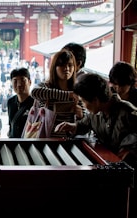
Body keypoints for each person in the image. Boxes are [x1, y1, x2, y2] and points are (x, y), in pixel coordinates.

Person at [54, 73, 137, 218]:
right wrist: (72, 127)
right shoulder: (95, 113)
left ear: (96, 100)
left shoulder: (128, 113)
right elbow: (83, 125)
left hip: (128, 181)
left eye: (83, 101)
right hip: (108, 176)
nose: (83, 105)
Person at [31, 49, 84, 138]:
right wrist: (67, 95)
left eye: (70, 65)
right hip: (46, 139)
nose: (66, 68)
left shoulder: (77, 90)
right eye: (62, 65)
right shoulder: (46, 87)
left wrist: (81, 115)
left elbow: (85, 120)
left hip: (69, 141)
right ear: (54, 67)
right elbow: (34, 92)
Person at [7, 67, 34, 138]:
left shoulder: (36, 103)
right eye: (15, 81)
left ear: (30, 82)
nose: (19, 84)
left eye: (23, 80)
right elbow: (11, 125)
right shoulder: (11, 102)